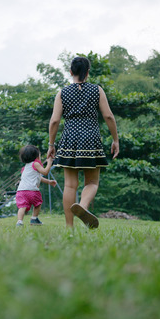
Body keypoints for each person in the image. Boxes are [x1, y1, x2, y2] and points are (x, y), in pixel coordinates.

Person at [47, 56, 119, 229]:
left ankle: (69, 228)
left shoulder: (62, 93)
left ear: (71, 72)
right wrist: (115, 139)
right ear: (87, 72)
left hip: (69, 139)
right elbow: (108, 116)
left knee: (70, 185)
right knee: (92, 183)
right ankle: (83, 206)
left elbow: (55, 121)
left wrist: (51, 144)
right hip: (90, 138)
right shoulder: (97, 90)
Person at [16, 145, 57, 227]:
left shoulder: (24, 168)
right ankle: (34, 218)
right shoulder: (35, 164)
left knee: (22, 207)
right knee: (38, 204)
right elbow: (45, 172)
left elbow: (38, 177)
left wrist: (49, 182)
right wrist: (49, 163)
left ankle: (19, 221)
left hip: (20, 191)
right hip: (32, 191)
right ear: (36, 156)